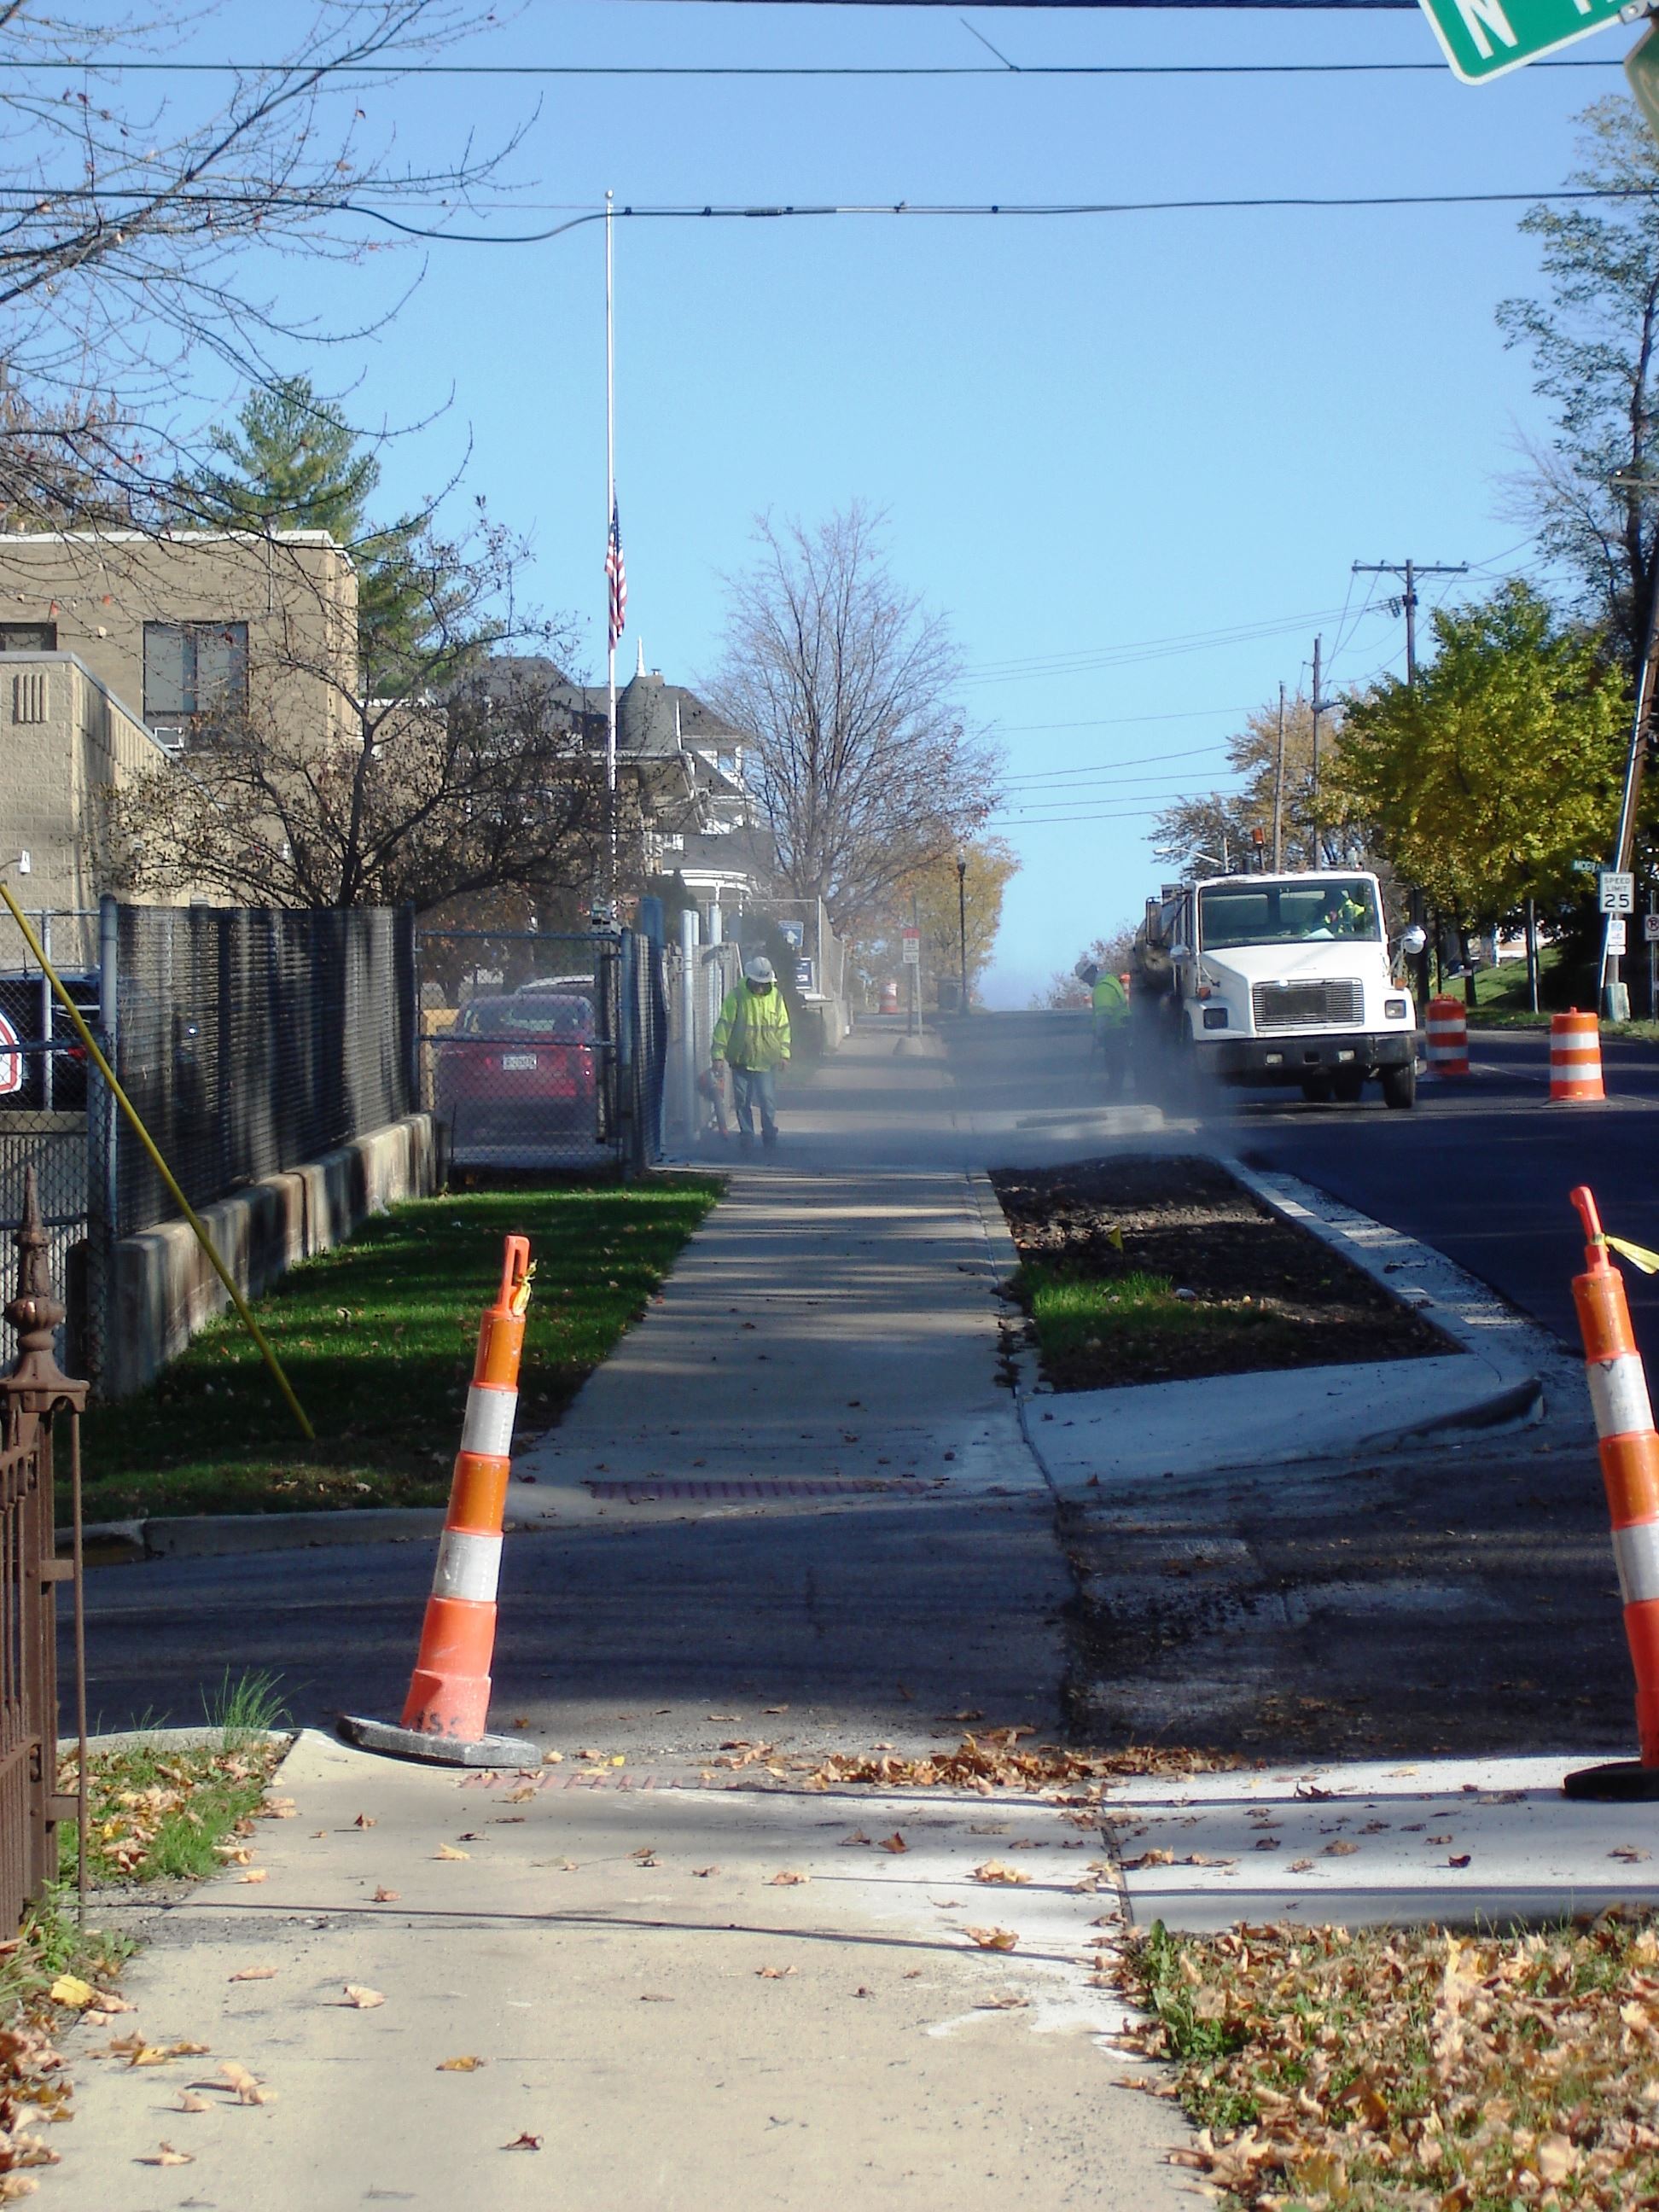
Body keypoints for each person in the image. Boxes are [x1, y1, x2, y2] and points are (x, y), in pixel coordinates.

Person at [712, 954, 791, 1150]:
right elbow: (725, 1025)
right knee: (742, 1101)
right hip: (741, 1059)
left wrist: (784, 1053)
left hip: (767, 1060)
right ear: (750, 979)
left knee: (767, 1100)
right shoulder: (737, 996)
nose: (760, 987)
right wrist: (718, 1055)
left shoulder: (776, 998)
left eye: (763, 984)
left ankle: (769, 1135)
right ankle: (746, 1137)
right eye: (757, 983)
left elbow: (783, 1027)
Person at [1089, 964, 1131, 1096]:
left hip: (1114, 1030)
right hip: (1122, 1028)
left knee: (1113, 1064)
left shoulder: (1102, 988)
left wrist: (1100, 1033)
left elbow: (1104, 1013)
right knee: (1118, 1063)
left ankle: (1114, 1093)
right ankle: (1115, 1090)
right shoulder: (1110, 980)